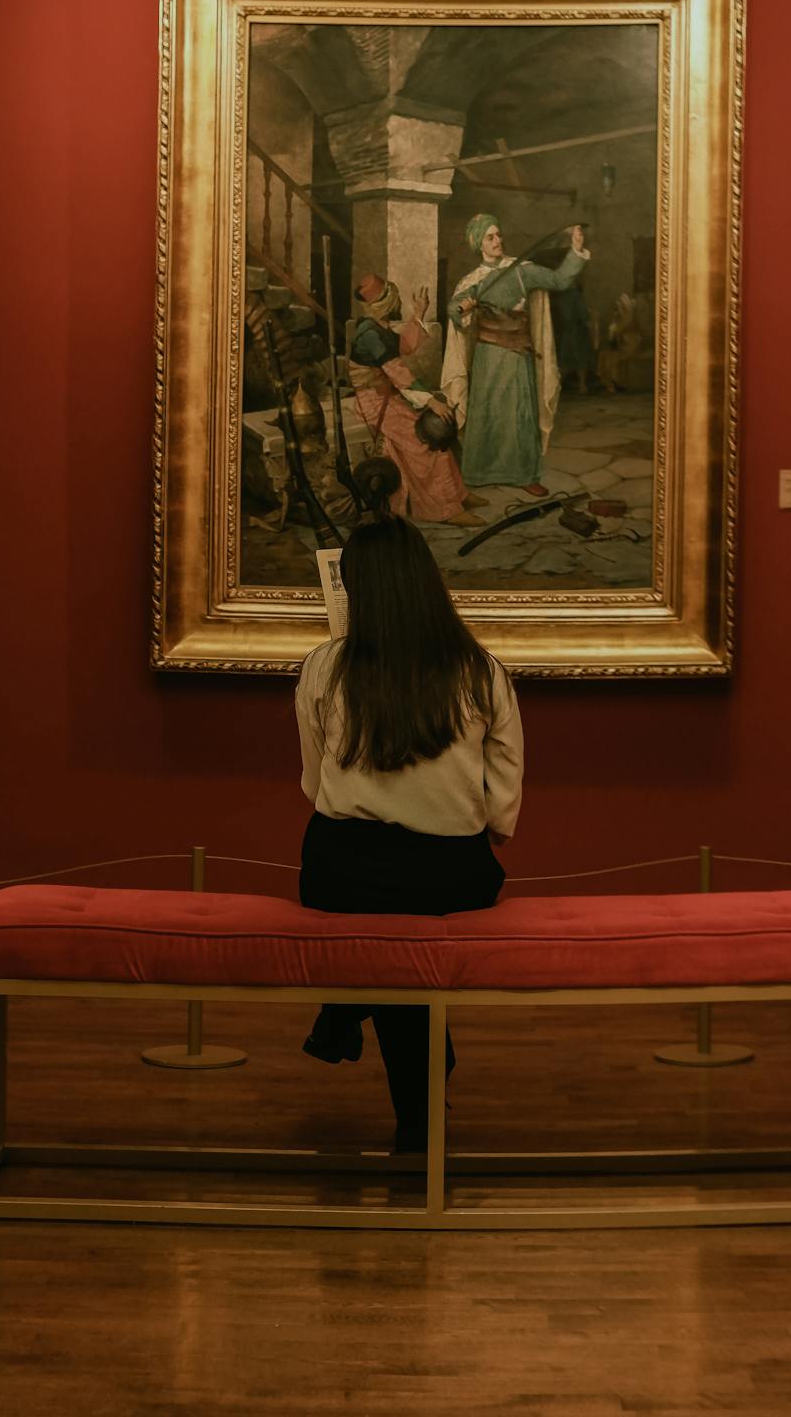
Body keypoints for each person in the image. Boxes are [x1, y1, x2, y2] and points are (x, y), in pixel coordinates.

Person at [295, 456, 523, 1153]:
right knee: (405, 948)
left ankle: (346, 1007)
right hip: (448, 871)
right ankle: (418, 1112)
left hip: (343, 870)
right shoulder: (477, 668)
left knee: (383, 944)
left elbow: (312, 784)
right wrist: (487, 825)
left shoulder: (324, 667)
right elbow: (504, 789)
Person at [441, 214, 590, 495]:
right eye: (490, 237)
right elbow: (454, 309)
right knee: (487, 412)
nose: (498, 241)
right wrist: (464, 307)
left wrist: (576, 250)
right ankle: (480, 471)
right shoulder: (473, 280)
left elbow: (559, 280)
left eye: (499, 235)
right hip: (488, 356)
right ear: (478, 244)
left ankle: (524, 474)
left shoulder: (522, 270)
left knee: (519, 413)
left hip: (517, 353)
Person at [347, 271, 485, 527]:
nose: (400, 303)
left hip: (388, 398)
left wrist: (419, 313)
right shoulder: (370, 334)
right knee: (428, 438)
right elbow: (399, 373)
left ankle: (458, 495)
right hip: (374, 403)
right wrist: (431, 401)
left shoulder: (379, 327)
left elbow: (405, 346)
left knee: (437, 429)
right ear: (387, 303)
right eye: (397, 299)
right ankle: (446, 510)